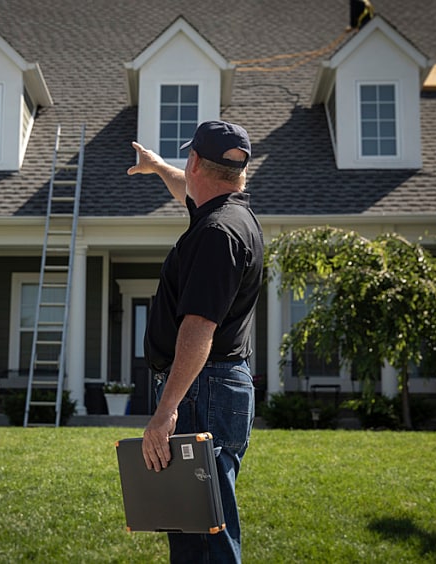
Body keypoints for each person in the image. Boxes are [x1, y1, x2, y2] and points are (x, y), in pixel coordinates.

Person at [127, 120, 263, 563]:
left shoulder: (215, 235)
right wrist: (158, 167)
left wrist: (165, 412)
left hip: (202, 387)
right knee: (196, 521)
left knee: (203, 534)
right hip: (217, 385)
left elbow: (198, 329)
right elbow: (189, 187)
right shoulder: (231, 215)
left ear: (196, 161)